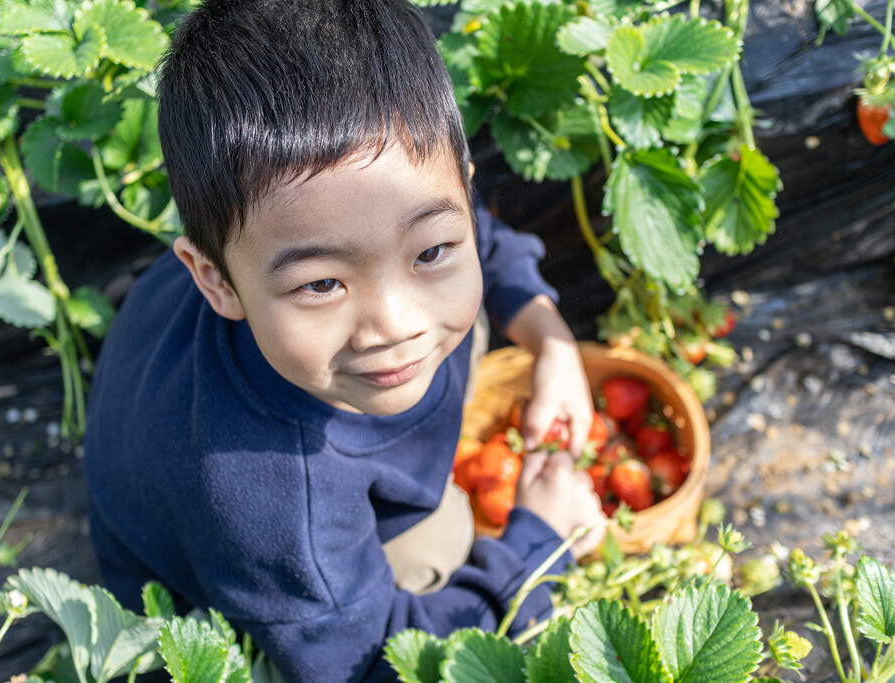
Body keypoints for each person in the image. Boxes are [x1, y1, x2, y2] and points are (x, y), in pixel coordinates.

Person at [82, 0, 605, 680]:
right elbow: (372, 664)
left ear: (461, 187)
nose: (395, 323)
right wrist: (541, 541)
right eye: (322, 284)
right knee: (442, 539)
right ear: (216, 282)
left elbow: (481, 235)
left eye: (430, 251)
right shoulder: (271, 499)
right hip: (240, 575)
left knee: (459, 312)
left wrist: (550, 339)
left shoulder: (363, 205)